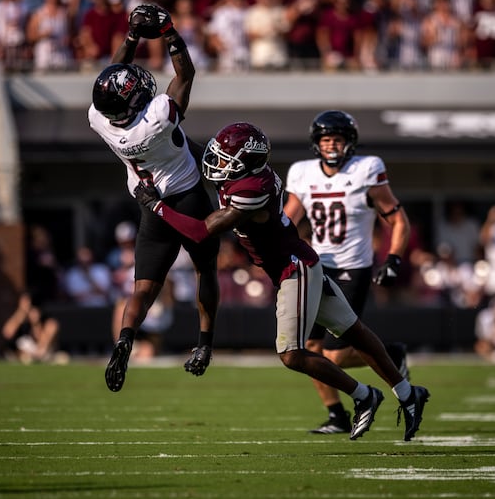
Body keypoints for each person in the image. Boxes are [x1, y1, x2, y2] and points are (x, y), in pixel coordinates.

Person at [134, 122, 430, 442]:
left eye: (222, 158)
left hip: (294, 270)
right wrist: (168, 131)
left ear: (243, 161)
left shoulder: (250, 191)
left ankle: (363, 395)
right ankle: (407, 392)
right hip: (304, 262)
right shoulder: (249, 174)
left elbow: (200, 231)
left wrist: (157, 207)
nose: (214, 163)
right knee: (354, 332)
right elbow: (199, 152)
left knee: (292, 353)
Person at [88, 3, 219, 393]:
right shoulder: (157, 117)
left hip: (150, 205)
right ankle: (204, 343)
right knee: (204, 271)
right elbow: (186, 74)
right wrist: (169, 33)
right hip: (187, 197)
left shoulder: (99, 118)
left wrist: (130, 37)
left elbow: (111, 75)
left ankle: (126, 338)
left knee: (143, 286)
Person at [283, 110, 411, 435]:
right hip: (316, 267)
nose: (331, 145)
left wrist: (394, 257)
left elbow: (397, 219)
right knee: (306, 350)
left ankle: (390, 355)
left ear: (349, 142)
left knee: (334, 354)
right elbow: (287, 221)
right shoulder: (302, 173)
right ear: (316, 143)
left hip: (352, 267)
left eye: (337, 139)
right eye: (326, 139)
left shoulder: (367, 169)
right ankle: (336, 415)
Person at [1, 291, 65, 364]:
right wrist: (21, 311)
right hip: (26, 352)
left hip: (41, 352)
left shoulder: (47, 321)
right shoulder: (21, 319)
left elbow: (42, 343)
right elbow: (7, 333)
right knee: (23, 343)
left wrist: (35, 324)